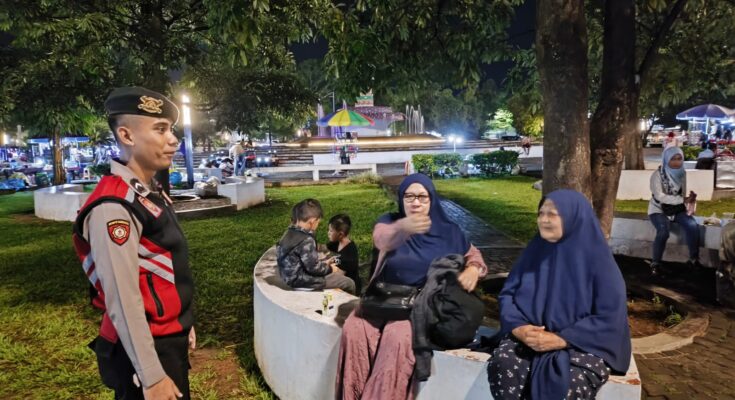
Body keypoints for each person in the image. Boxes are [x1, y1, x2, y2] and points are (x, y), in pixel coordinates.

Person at [72, 87, 196, 399]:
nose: (173, 139)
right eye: (160, 129)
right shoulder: (113, 205)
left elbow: (164, 271)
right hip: (145, 350)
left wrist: (183, 324)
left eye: (171, 129)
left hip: (166, 339)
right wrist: (152, 377)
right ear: (126, 135)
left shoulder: (145, 193)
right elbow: (123, 298)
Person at [335, 173, 488, 400]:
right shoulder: (389, 221)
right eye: (409, 196)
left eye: (422, 197)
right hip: (384, 299)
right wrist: (403, 226)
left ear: (431, 199)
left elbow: (473, 255)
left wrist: (473, 268)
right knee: (355, 328)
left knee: (397, 337)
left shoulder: (449, 230)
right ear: (401, 199)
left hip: (423, 306)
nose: (415, 202)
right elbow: (381, 238)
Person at [487, 190, 631, 400]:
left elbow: (610, 317)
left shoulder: (598, 262)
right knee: (504, 363)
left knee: (568, 383)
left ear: (574, 218)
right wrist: (519, 328)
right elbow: (507, 295)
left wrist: (562, 339)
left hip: (581, 344)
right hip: (528, 338)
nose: (543, 220)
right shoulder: (534, 252)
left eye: (552, 214)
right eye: (541, 213)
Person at [277, 199, 356, 294]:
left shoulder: (289, 232)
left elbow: (304, 261)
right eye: (318, 222)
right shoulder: (306, 240)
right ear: (312, 222)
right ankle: (351, 302)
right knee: (349, 283)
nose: (318, 225)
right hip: (302, 281)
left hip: (288, 276)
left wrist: (323, 263)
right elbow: (313, 268)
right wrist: (331, 268)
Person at [648, 146, 700, 276]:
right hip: (658, 209)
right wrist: (683, 200)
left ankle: (693, 260)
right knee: (663, 231)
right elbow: (660, 196)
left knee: (692, 225)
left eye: (679, 159)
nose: (677, 162)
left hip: (676, 209)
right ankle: (655, 264)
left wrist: (690, 198)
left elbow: (681, 194)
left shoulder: (682, 173)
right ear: (666, 159)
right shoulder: (657, 175)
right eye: (673, 159)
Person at [327, 214, 361, 294]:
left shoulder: (348, 255)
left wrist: (326, 266)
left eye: (331, 231)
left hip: (348, 290)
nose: (328, 233)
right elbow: (324, 248)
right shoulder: (339, 242)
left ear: (340, 234)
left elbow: (337, 277)